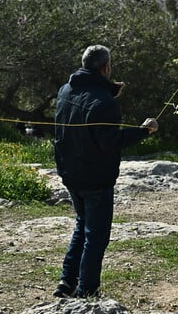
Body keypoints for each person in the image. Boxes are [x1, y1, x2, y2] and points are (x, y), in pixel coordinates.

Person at [53, 44, 158, 298]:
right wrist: (144, 130)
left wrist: (110, 90)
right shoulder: (105, 103)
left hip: (70, 174)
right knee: (96, 235)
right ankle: (87, 290)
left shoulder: (65, 90)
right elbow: (109, 140)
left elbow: (86, 105)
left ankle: (67, 282)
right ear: (106, 67)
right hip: (95, 178)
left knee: (82, 226)